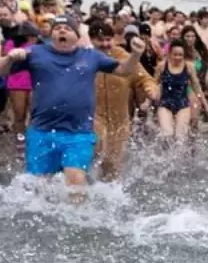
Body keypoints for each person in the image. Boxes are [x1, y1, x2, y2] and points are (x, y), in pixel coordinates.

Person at [0, 14, 146, 199]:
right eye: (57, 28)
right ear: (51, 35)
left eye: (67, 28)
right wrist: (10, 58)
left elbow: (124, 71)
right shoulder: (35, 53)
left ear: (77, 36)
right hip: (42, 132)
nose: (62, 30)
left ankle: (79, 224)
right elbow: (2, 70)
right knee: (39, 192)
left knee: (76, 185)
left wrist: (136, 54)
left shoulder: (91, 56)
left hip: (78, 133)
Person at [92, 22, 159, 181]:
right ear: (91, 40)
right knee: (97, 149)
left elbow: (145, 78)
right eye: (100, 40)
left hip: (120, 121)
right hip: (95, 117)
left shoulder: (123, 58)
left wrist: (150, 89)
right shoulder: (85, 59)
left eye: (108, 39)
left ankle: (108, 198)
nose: (105, 44)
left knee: (113, 168)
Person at [156, 39, 208, 145]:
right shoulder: (162, 66)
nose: (178, 57)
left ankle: (181, 160)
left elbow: (196, 87)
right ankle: (165, 159)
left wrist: (205, 104)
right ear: (170, 53)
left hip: (183, 105)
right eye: (175, 54)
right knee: (167, 135)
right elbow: (153, 84)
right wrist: (147, 102)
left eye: (181, 55)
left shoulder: (189, 67)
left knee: (180, 138)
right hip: (165, 104)